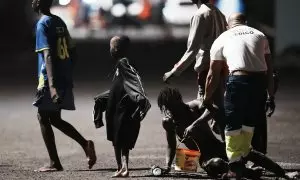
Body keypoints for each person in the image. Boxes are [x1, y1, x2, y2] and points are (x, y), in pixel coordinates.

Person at [157, 87, 296, 179]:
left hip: (218, 146)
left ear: (179, 101)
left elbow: (214, 109)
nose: (171, 111)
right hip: (204, 158)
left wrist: (195, 124)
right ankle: (248, 172)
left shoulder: (193, 107)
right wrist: (168, 166)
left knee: (249, 152)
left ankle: (284, 174)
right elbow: (171, 145)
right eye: (168, 108)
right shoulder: (168, 122)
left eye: (174, 106)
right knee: (217, 164)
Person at [203, 13, 275, 179]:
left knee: (232, 125)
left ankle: (235, 167)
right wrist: (271, 96)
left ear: (228, 25)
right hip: (259, 83)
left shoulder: (222, 38)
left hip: (238, 81)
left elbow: (212, 76)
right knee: (249, 123)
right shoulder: (260, 35)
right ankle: (243, 160)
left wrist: (207, 99)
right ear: (245, 23)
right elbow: (270, 69)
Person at [32, 0, 96, 172]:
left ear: (38, 2)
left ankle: (55, 163)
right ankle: (85, 144)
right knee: (54, 118)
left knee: (43, 118)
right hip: (63, 77)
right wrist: (67, 70)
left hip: (49, 79)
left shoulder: (42, 24)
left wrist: (51, 86)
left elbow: (48, 56)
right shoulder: (59, 21)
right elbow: (73, 51)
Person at [102, 36, 151, 177]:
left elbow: (135, 82)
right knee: (116, 137)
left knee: (121, 137)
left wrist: (141, 100)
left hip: (123, 105)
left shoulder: (125, 63)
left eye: (111, 47)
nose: (109, 50)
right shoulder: (120, 63)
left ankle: (124, 167)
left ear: (115, 49)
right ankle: (120, 167)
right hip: (115, 104)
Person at [163, 0, 227, 101]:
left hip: (206, 68)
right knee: (217, 105)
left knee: (205, 105)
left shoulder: (200, 15)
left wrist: (174, 71)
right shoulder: (220, 13)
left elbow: (193, 49)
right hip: (221, 67)